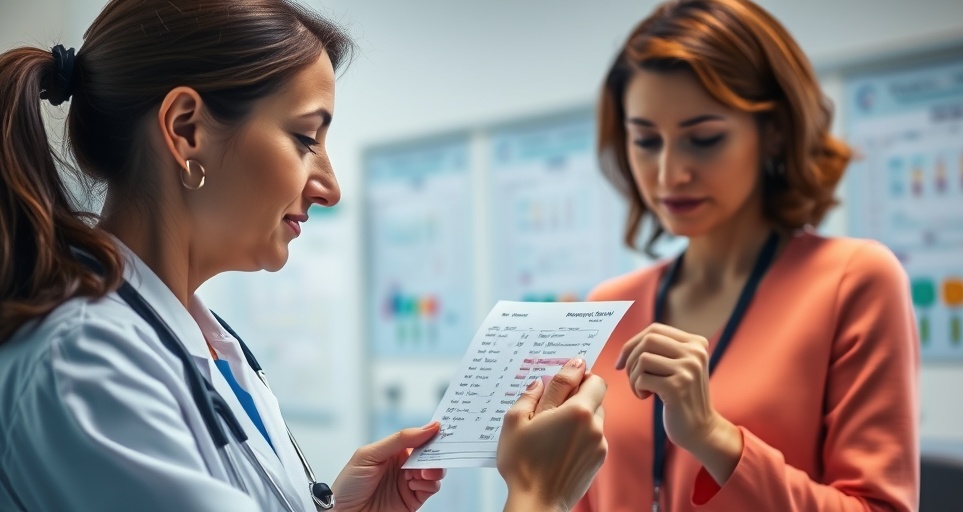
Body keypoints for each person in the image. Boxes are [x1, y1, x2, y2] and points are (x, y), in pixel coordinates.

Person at [0, 1, 608, 511]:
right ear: (185, 130)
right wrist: (538, 495)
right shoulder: (84, 362)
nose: (330, 186)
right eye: (304, 139)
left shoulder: (202, 346)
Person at [575, 0, 920, 511]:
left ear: (774, 130)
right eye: (646, 141)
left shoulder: (855, 281)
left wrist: (714, 437)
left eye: (704, 139)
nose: (669, 174)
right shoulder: (610, 304)